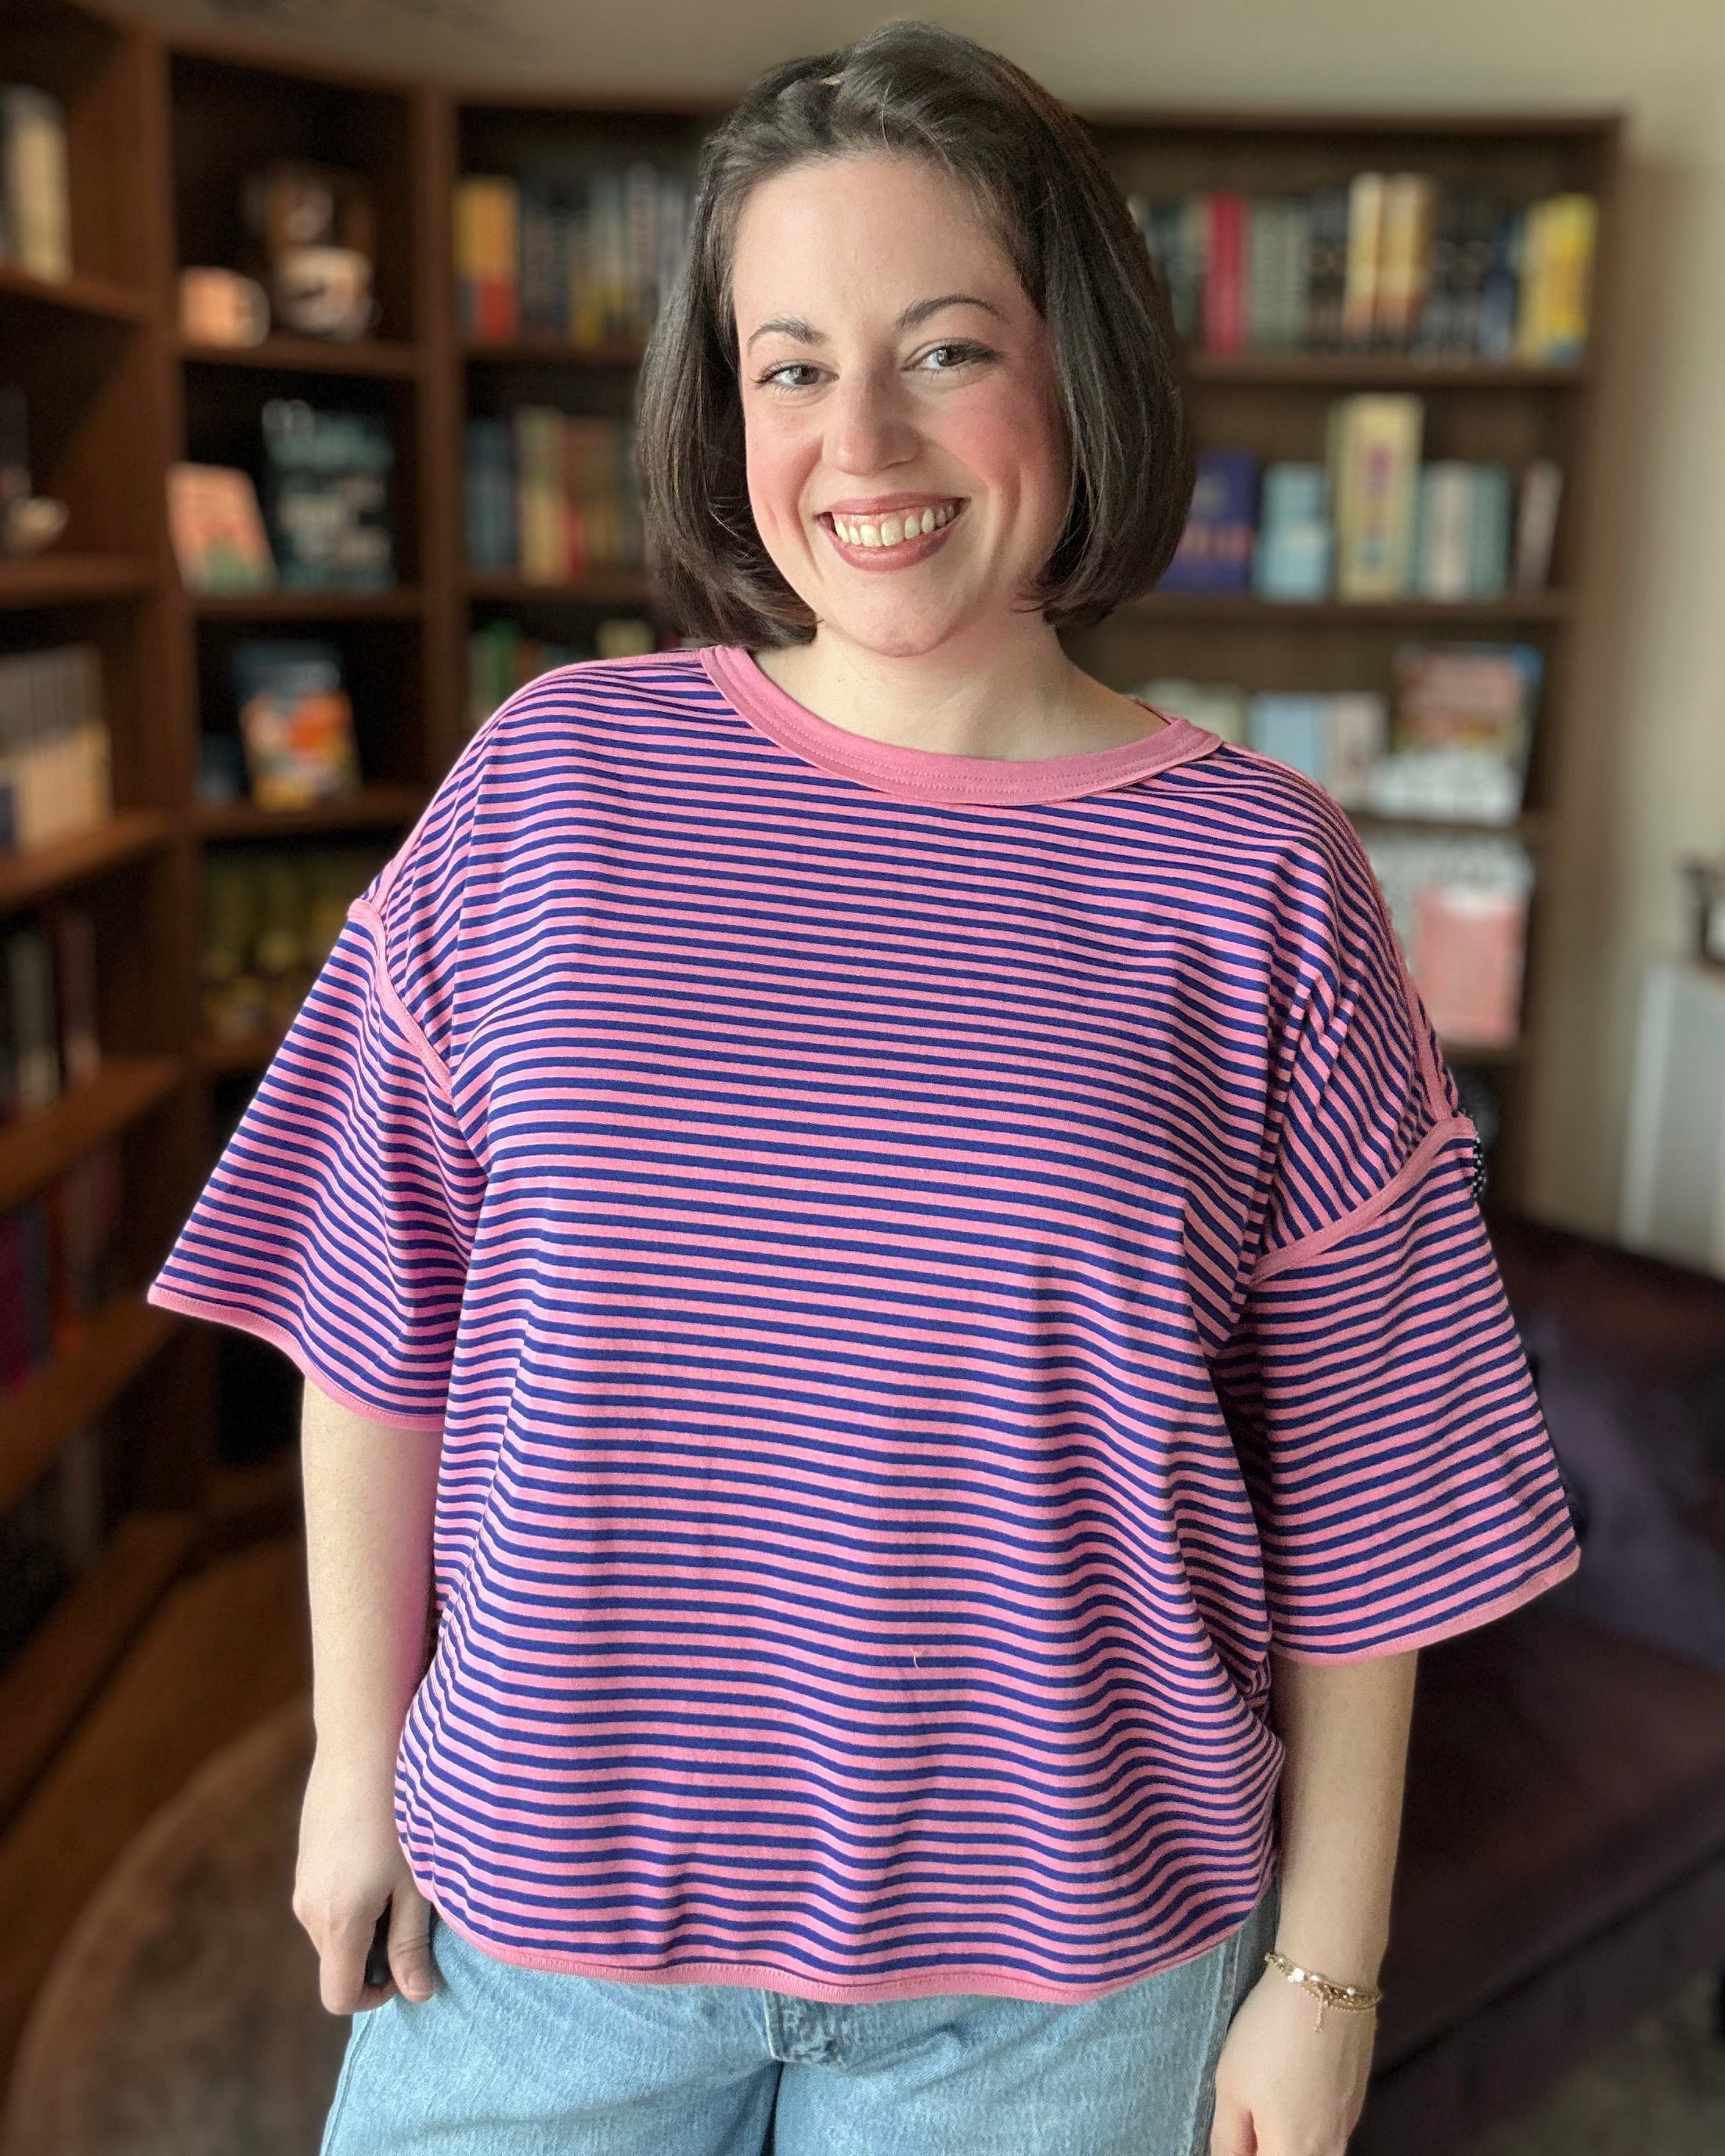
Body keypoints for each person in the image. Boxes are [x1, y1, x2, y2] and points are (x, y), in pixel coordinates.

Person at [148, 21, 1579, 2156]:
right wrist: (357, 1757)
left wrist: (1325, 1970)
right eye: (791, 365)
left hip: (1061, 1984)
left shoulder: (1262, 873)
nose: (861, 440)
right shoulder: (552, 784)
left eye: (945, 348)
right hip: (534, 1925)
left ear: (1077, 371)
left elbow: (1371, 1476)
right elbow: (376, 1319)